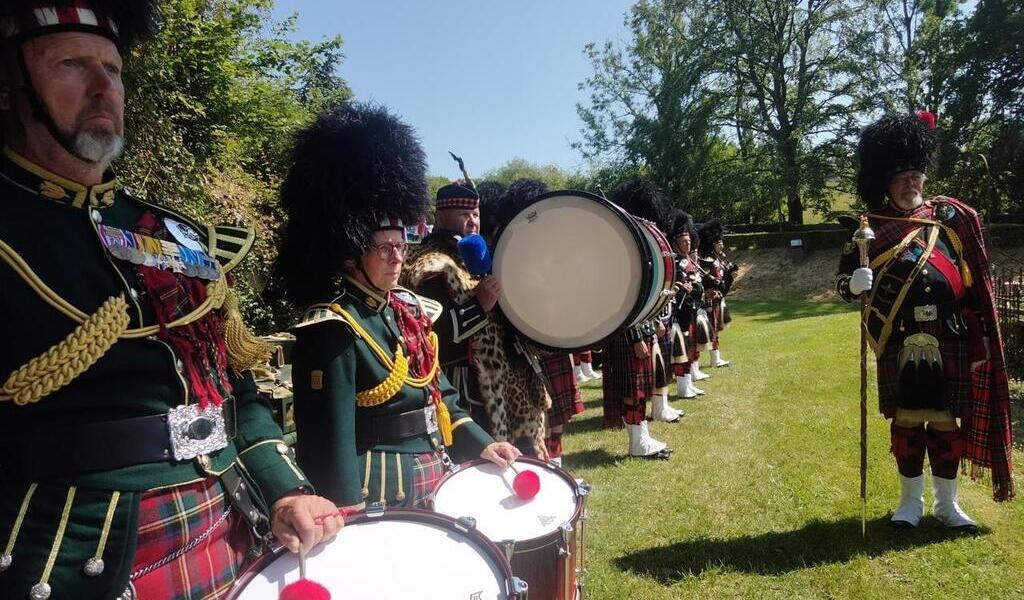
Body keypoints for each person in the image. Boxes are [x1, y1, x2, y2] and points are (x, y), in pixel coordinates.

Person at [0, 3, 339, 598]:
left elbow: (231, 388)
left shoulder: (172, 233)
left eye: (113, 67)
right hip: (65, 555)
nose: (105, 86)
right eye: (73, 65)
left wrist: (283, 486)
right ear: (9, 87)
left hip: (228, 524)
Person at [276, 103, 520, 510]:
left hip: (432, 467)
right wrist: (346, 508)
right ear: (352, 254)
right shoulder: (332, 327)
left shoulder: (406, 309)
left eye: (401, 246)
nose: (397, 258)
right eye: (384, 248)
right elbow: (328, 438)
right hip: (379, 488)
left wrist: (482, 443)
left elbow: (438, 393)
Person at [836, 111, 1015, 530]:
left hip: (949, 335)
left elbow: (975, 286)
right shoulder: (869, 228)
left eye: (916, 174)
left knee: (946, 423)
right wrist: (856, 284)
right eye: (900, 176)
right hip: (900, 338)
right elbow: (843, 284)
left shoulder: (950, 220)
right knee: (908, 422)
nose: (910, 183)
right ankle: (910, 504)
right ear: (884, 180)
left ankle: (947, 506)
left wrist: (981, 341)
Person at [404, 179, 551, 456]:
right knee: (479, 463)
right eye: (464, 215)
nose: (472, 221)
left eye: (476, 214)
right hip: (467, 386)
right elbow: (432, 335)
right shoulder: (431, 264)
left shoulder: (480, 257)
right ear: (441, 216)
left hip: (509, 379)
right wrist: (479, 306)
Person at [601, 178, 675, 458]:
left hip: (638, 328)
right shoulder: (618, 250)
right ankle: (636, 442)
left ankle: (641, 437)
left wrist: (650, 324)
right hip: (626, 331)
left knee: (641, 387)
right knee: (633, 389)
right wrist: (636, 336)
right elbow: (620, 297)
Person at [668, 211, 706, 399]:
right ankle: (683, 388)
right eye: (683, 241)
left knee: (690, 349)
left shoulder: (689, 261)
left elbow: (697, 287)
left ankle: (688, 384)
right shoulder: (674, 263)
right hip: (678, 314)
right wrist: (686, 288)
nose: (687, 244)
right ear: (675, 243)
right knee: (681, 351)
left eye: (689, 241)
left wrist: (694, 288)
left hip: (690, 311)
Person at [698, 219, 735, 368]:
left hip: (718, 298)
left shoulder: (718, 259)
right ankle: (714, 358)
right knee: (712, 327)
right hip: (710, 299)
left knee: (716, 328)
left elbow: (722, 280)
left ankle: (716, 357)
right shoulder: (707, 260)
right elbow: (705, 280)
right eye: (719, 242)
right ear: (712, 243)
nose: (722, 245)